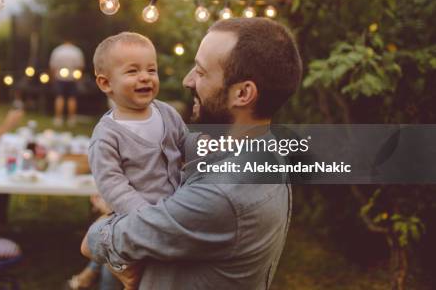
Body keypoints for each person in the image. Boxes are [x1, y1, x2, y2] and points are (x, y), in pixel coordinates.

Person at [82, 18, 303, 289]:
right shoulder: (261, 149)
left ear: (243, 93)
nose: (188, 80)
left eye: (200, 72)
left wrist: (102, 225)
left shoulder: (220, 194)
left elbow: (95, 242)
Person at [68, 32, 188, 290]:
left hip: (174, 215)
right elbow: (112, 184)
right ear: (105, 83)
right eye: (133, 71)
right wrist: (146, 217)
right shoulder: (107, 135)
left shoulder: (167, 113)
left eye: (151, 69)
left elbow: (186, 147)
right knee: (127, 278)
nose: (145, 77)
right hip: (137, 223)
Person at [49, 41, 85, 127]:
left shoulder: (57, 50)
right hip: (72, 77)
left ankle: (58, 119)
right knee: (72, 98)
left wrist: (52, 77)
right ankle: (71, 119)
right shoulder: (76, 51)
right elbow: (80, 66)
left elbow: (52, 66)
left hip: (59, 77)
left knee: (59, 97)